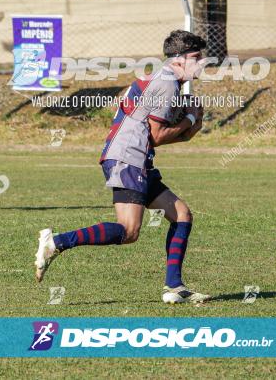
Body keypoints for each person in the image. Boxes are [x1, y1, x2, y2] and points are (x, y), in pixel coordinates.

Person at [34, 30, 209, 304]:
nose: (202, 63)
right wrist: (188, 118)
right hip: (128, 158)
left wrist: (190, 126)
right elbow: (157, 136)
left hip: (136, 157)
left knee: (182, 215)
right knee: (129, 231)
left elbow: (161, 135)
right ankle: (56, 242)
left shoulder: (161, 78)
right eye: (196, 57)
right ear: (178, 60)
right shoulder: (166, 84)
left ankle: (174, 287)